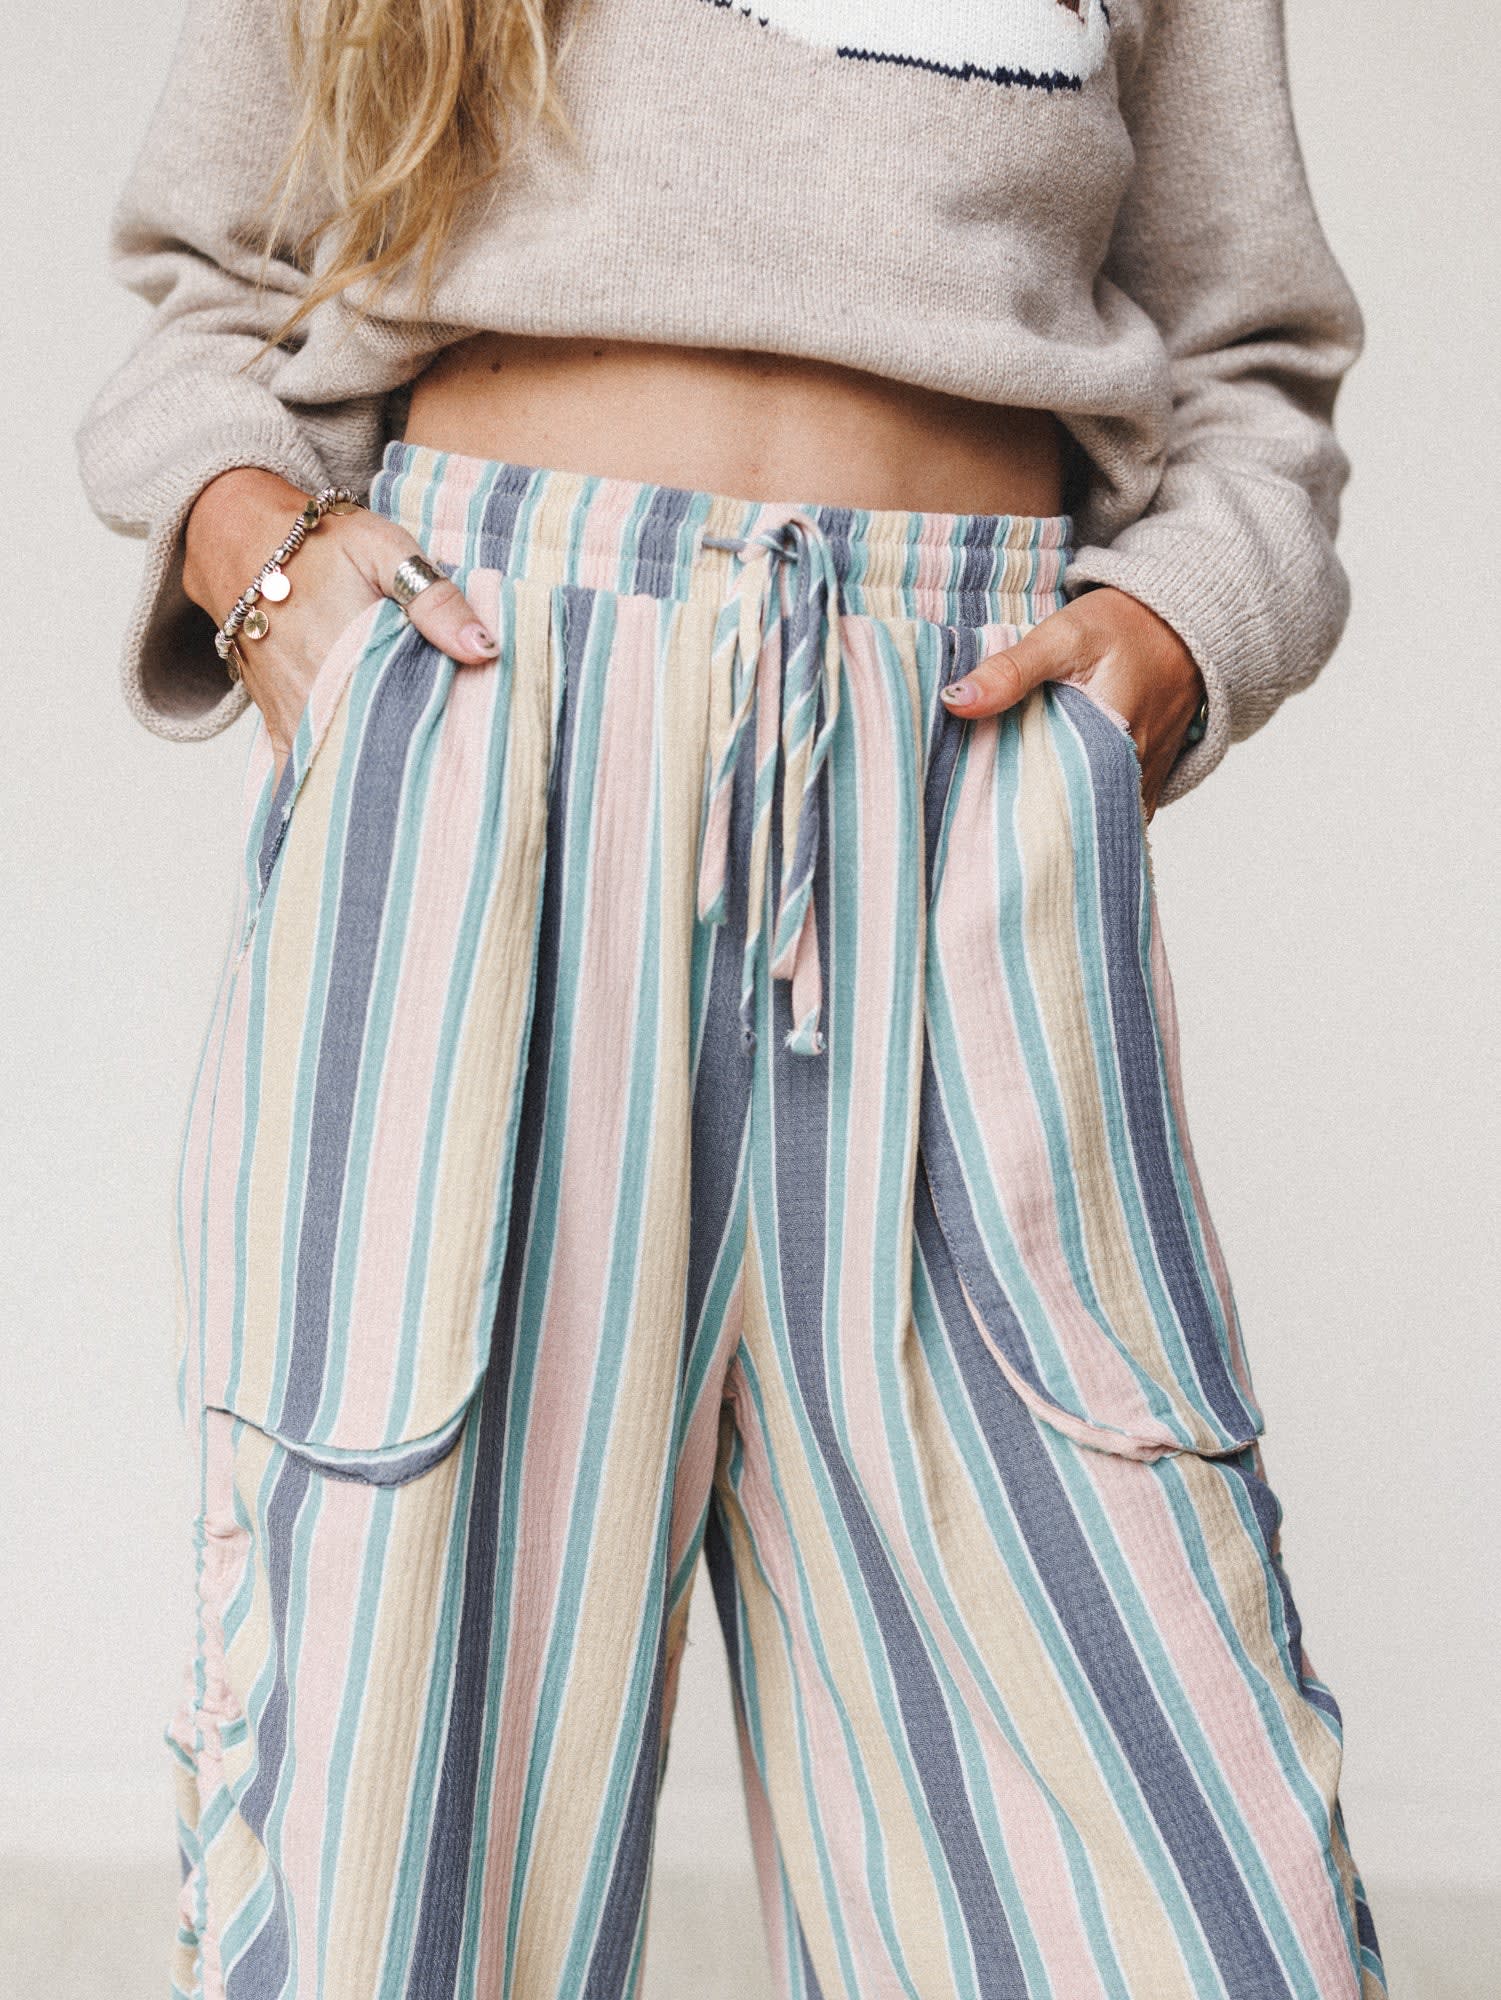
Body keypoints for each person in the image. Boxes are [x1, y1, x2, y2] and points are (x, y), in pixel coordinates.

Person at [77, 0, 1386, 1994]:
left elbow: (1250, 355)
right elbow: (212, 290)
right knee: (385, 1847)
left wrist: (1174, 629)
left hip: (956, 763)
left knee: (1175, 1901)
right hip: (493, 742)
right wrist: (272, 574)